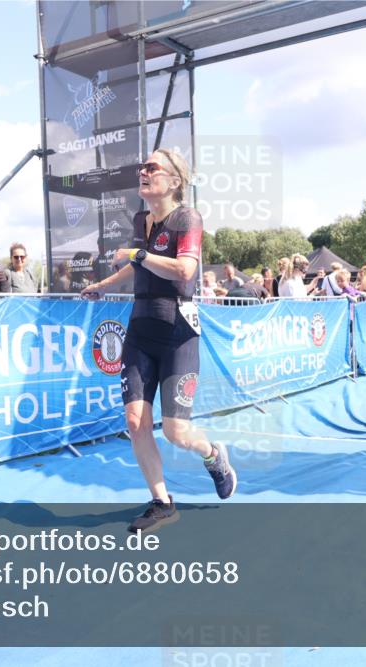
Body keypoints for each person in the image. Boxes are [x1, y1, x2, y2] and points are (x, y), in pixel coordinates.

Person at [80, 148, 236, 532]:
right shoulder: (140, 218)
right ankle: (162, 502)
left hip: (178, 332)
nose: (143, 172)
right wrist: (102, 285)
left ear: (174, 180)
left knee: (175, 431)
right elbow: (138, 265)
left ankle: (214, 454)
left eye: (152, 167)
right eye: (142, 167)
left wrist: (137, 252)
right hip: (141, 329)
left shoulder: (187, 218)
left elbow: (184, 270)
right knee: (135, 421)